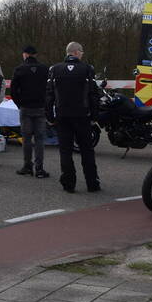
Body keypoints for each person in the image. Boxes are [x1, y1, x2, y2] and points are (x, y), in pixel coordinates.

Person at [46, 41, 101, 193]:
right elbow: (93, 94)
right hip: (82, 116)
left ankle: (68, 184)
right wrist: (95, 116)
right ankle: (92, 183)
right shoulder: (87, 69)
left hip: (62, 116)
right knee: (87, 150)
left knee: (65, 151)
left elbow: (49, 95)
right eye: (81, 52)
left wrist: (50, 116)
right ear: (76, 52)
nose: (82, 55)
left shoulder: (55, 69)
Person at [11, 45, 50, 178]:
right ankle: (39, 169)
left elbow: (14, 91)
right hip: (40, 107)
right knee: (39, 139)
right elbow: (49, 89)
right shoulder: (45, 69)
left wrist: (19, 104)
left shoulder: (19, 69)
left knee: (27, 139)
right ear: (35, 55)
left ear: (25, 54)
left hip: (26, 107)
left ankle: (27, 166)